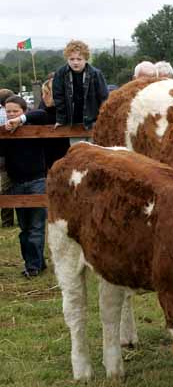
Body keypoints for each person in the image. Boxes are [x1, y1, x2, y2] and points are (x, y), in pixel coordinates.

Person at [1, 96, 51, 277]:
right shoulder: (5, 132)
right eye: (8, 112)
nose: (11, 114)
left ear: (24, 111)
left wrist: (20, 121)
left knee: (36, 226)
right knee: (24, 228)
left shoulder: (33, 123)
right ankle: (36, 262)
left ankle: (33, 267)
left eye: (15, 111)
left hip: (36, 181)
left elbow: (43, 114)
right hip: (17, 184)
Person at [52, 40, 109, 130]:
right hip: (72, 122)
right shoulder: (60, 74)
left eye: (79, 59)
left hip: (93, 120)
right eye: (72, 59)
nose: (75, 62)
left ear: (86, 59)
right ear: (67, 59)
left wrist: (103, 119)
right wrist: (61, 120)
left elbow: (103, 98)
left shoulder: (95, 74)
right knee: (76, 144)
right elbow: (59, 99)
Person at [0, 89, 16, 227]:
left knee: (5, 187)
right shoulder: (15, 113)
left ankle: (7, 221)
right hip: (10, 154)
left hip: (3, 155)